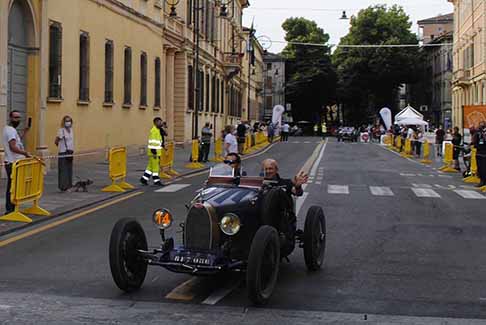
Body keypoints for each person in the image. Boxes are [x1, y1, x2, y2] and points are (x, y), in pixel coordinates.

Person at [3, 110, 30, 213]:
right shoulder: (10, 130)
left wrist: (25, 132)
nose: (17, 120)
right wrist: (25, 153)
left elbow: (17, 142)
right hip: (13, 163)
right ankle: (10, 210)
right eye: (15, 117)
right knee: (12, 187)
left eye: (19, 118)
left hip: (13, 162)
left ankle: (12, 209)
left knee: (13, 186)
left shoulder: (11, 130)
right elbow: (13, 147)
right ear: (10, 118)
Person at [140, 117, 165, 186]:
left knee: (150, 167)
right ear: (155, 123)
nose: (161, 123)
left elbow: (160, 139)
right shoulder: (154, 130)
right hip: (154, 152)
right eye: (159, 122)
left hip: (155, 152)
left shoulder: (158, 130)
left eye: (161, 122)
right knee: (155, 167)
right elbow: (152, 142)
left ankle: (144, 179)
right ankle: (156, 180)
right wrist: (154, 152)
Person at [54, 115, 75, 191]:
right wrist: (61, 147)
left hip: (70, 152)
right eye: (66, 121)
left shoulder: (71, 130)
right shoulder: (61, 130)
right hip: (63, 152)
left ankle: (69, 185)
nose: (68, 122)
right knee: (63, 170)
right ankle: (63, 186)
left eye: (69, 121)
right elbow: (56, 141)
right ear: (64, 122)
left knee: (69, 169)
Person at [473, 121, 486, 187]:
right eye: (480, 125)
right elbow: (474, 140)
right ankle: (481, 181)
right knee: (480, 168)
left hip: (484, 153)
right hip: (479, 152)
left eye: (482, 125)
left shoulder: (484, 133)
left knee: (484, 168)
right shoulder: (478, 133)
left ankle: (483, 181)